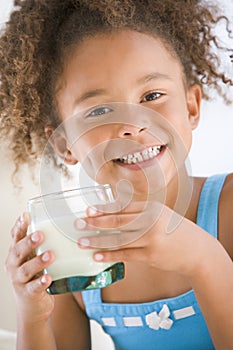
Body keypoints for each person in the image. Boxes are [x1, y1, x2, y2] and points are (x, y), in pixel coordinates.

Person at [1, 1, 233, 349]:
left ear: (191, 107)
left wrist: (205, 258)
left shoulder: (228, 211)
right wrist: (33, 314)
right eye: (100, 110)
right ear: (64, 144)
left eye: (152, 96)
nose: (133, 125)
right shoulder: (73, 255)